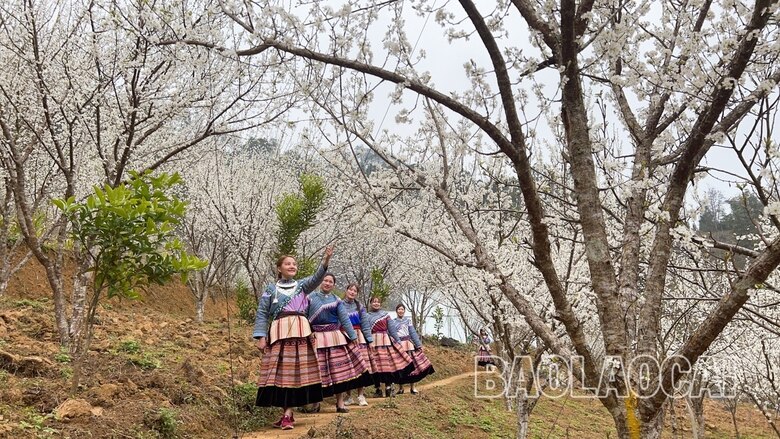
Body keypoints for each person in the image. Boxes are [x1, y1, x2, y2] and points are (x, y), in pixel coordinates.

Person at [252, 247, 333, 431]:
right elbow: (263, 313)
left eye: (294, 264)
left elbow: (316, 278)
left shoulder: (302, 285)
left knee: (296, 373)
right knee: (281, 374)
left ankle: (288, 414)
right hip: (279, 333)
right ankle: (287, 413)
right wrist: (261, 336)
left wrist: (326, 260)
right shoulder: (270, 290)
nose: (292, 266)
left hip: (300, 333)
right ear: (279, 268)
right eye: (288, 263)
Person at [307, 274, 369, 413]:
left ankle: (340, 403)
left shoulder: (337, 300)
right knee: (318, 371)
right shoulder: (310, 298)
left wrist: (353, 336)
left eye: (330, 282)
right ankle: (315, 404)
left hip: (335, 337)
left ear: (333, 285)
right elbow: (304, 316)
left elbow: (345, 320)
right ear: (320, 282)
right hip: (316, 337)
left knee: (339, 371)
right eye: (325, 280)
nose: (327, 283)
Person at [365, 296, 414, 397]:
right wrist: (368, 341)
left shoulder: (385, 315)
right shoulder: (367, 316)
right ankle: (378, 389)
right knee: (376, 367)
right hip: (373, 342)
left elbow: (391, 329)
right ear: (370, 303)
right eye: (374, 302)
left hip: (385, 342)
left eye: (378, 302)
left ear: (381, 304)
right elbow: (365, 329)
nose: (376, 304)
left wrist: (398, 341)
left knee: (387, 366)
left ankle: (388, 388)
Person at [342, 283, 374, 406]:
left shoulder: (360, 307)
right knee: (347, 367)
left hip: (358, 337)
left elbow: (365, 325)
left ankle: (361, 395)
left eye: (355, 291)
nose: (352, 292)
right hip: (344, 336)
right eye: (350, 289)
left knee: (362, 366)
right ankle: (349, 396)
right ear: (346, 290)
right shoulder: (339, 304)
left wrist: (369, 340)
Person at [394, 304, 434, 394]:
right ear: (396, 311)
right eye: (399, 309)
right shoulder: (393, 322)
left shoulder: (408, 321)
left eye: (402, 309)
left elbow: (413, 333)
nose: (400, 311)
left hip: (408, 345)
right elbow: (392, 334)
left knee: (413, 366)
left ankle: (413, 387)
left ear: (404, 311)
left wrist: (418, 345)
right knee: (401, 367)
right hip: (399, 346)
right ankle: (401, 388)